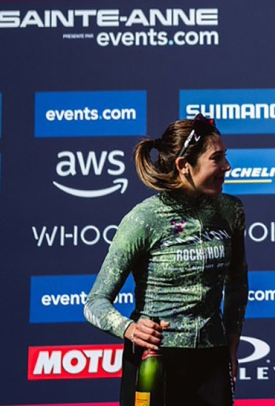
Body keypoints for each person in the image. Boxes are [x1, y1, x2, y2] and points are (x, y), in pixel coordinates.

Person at [85, 114, 248, 406]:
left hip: (213, 359)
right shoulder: (143, 219)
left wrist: (231, 351)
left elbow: (237, 286)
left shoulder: (230, 211)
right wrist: (131, 329)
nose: (227, 167)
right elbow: (95, 302)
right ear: (184, 166)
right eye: (217, 158)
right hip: (155, 360)